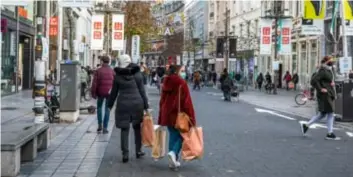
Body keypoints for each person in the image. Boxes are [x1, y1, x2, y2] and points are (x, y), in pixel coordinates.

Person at [107, 54, 148, 163]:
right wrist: (146, 106)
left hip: (123, 104)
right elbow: (142, 91)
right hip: (137, 104)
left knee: (124, 129)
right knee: (137, 128)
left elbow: (114, 93)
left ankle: (125, 154)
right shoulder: (137, 75)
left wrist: (109, 106)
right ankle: (138, 151)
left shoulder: (118, 76)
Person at [158, 65, 195, 169]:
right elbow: (186, 101)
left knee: (173, 135)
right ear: (177, 71)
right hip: (179, 113)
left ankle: (172, 161)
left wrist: (161, 113)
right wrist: (191, 117)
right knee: (184, 135)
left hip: (168, 112)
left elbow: (162, 100)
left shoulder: (166, 82)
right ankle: (173, 153)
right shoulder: (181, 83)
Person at [300, 56, 339, 140]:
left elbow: (328, 80)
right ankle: (330, 133)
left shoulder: (329, 70)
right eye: (331, 60)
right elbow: (313, 81)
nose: (332, 62)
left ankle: (306, 125)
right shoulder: (322, 70)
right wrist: (321, 89)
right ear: (327, 61)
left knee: (323, 114)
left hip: (329, 93)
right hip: (325, 95)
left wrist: (331, 83)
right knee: (330, 113)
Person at [91, 56, 115, 134]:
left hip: (100, 92)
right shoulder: (112, 71)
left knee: (99, 107)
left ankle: (99, 125)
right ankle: (105, 127)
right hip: (109, 93)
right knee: (107, 109)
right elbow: (115, 83)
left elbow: (95, 83)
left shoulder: (98, 71)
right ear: (109, 62)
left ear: (102, 61)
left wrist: (93, 93)